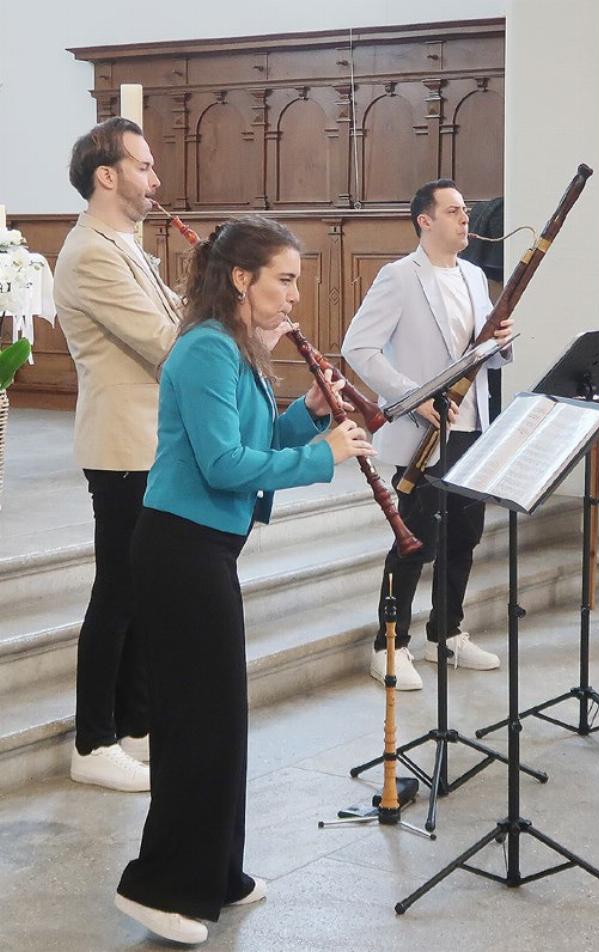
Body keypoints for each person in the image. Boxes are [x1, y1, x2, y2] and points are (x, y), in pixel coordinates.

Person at [114, 216, 372, 946]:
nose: (294, 296)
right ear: (241, 279)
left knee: (221, 720)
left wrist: (305, 419)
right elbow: (224, 466)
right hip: (177, 553)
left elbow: (252, 443)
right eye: (284, 280)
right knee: (195, 725)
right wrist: (325, 454)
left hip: (207, 552)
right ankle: (162, 887)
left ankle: (216, 873)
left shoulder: (235, 350)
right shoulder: (203, 351)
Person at [342, 179, 513, 692]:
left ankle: (447, 632)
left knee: (465, 535)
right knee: (416, 540)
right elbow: (359, 348)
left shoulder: (475, 277)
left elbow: (484, 355)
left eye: (466, 211)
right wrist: (414, 396)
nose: (466, 220)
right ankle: (388, 644)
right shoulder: (399, 277)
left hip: (472, 424)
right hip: (424, 432)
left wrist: (503, 344)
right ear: (425, 220)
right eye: (455, 211)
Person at [54, 117, 181, 792]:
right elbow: (163, 343)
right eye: (144, 166)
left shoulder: (122, 243)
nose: (155, 180)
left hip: (150, 441)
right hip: (123, 444)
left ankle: (133, 723)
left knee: (143, 589)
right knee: (119, 592)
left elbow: (170, 316)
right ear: (108, 175)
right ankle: (93, 740)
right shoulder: (93, 252)